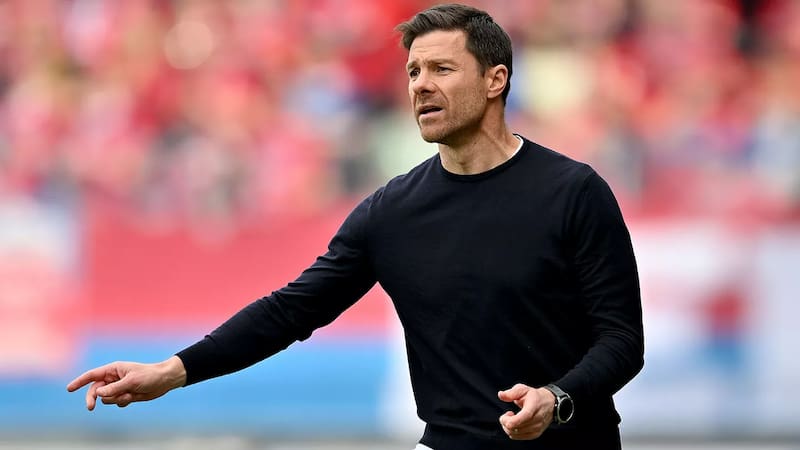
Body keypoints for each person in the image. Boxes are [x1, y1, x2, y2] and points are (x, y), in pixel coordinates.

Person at [67, 4, 644, 449]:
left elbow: (622, 341)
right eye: (413, 71)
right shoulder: (392, 212)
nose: (420, 84)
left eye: (442, 69)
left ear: (496, 80)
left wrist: (556, 399)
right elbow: (291, 311)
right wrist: (172, 371)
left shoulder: (573, 192)